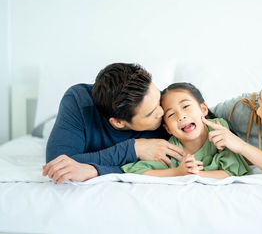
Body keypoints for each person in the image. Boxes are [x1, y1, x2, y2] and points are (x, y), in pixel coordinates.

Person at [42, 63, 185, 184]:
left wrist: (93, 170)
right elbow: (57, 165)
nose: (162, 112)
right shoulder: (79, 101)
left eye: (158, 100)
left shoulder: (166, 105)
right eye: (150, 113)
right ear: (118, 122)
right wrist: (133, 149)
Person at [122, 82, 251, 179]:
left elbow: (233, 171)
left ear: (203, 109)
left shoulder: (218, 129)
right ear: (168, 129)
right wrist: (177, 172)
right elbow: (136, 171)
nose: (181, 116)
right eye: (171, 114)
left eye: (186, 106)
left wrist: (194, 174)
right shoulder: (171, 150)